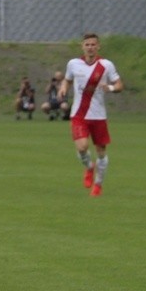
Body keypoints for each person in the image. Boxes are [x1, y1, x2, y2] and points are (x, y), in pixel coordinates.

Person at [58, 33, 123, 197]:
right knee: (82, 147)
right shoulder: (73, 64)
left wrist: (111, 88)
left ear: (98, 46)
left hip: (99, 116)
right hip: (79, 115)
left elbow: (119, 84)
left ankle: (98, 184)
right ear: (82, 46)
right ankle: (88, 167)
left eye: (93, 44)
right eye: (87, 44)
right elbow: (67, 79)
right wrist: (63, 87)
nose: (90, 47)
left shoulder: (106, 65)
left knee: (101, 151)